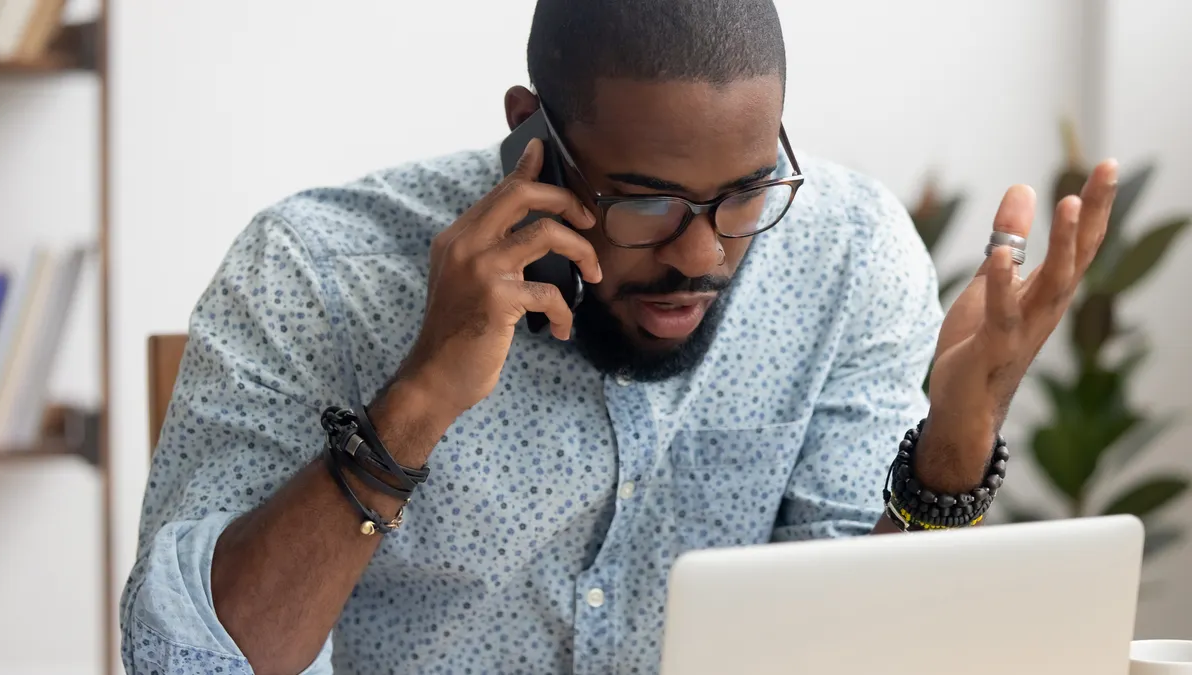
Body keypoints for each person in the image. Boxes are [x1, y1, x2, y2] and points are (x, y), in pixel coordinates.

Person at [119, 0, 1118, 673]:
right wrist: (419, 397)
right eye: (647, 203)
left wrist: (953, 444)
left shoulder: (848, 254)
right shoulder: (314, 272)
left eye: (745, 193)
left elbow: (860, 647)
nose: (706, 255)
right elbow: (191, 656)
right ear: (533, 136)